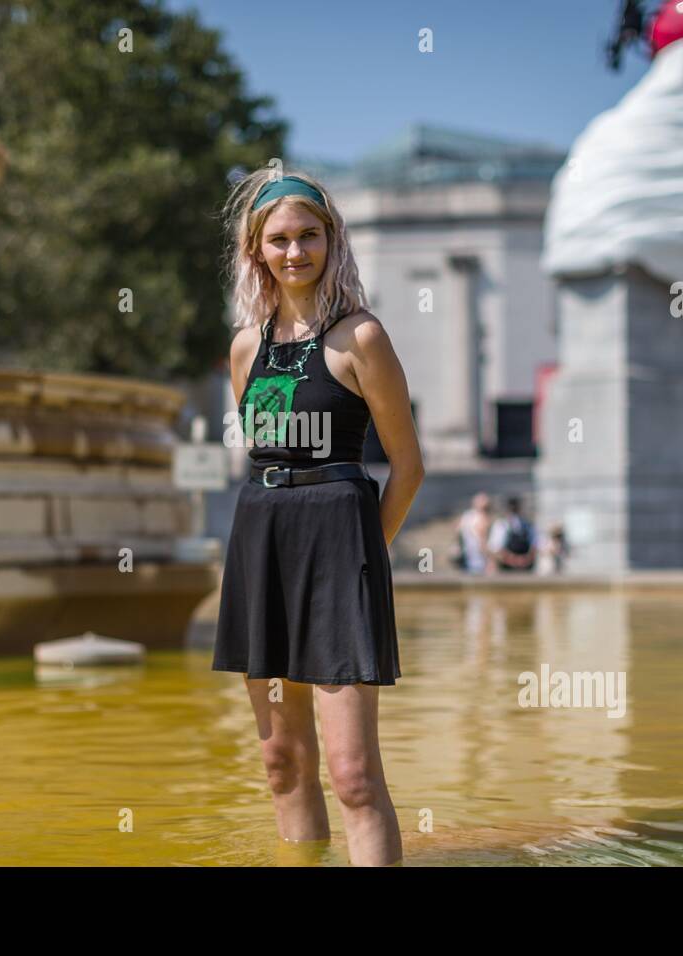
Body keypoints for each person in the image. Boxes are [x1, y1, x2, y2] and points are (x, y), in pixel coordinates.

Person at [211, 169, 425, 866]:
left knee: (355, 777)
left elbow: (409, 465)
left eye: (309, 236)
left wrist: (365, 562)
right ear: (255, 251)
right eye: (279, 239)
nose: (295, 251)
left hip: (340, 544)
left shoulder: (360, 336)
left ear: (332, 241)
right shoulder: (247, 347)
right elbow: (257, 454)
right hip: (262, 539)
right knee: (282, 765)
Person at [487, 496, 536, 572]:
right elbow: (495, 549)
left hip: (525, 570)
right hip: (506, 571)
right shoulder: (501, 525)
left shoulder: (527, 525)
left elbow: (535, 546)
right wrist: (514, 560)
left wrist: (525, 560)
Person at [454, 493, 493, 573]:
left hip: (467, 556)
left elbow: (457, 531)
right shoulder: (482, 518)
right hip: (479, 560)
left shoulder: (466, 516)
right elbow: (482, 542)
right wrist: (490, 561)